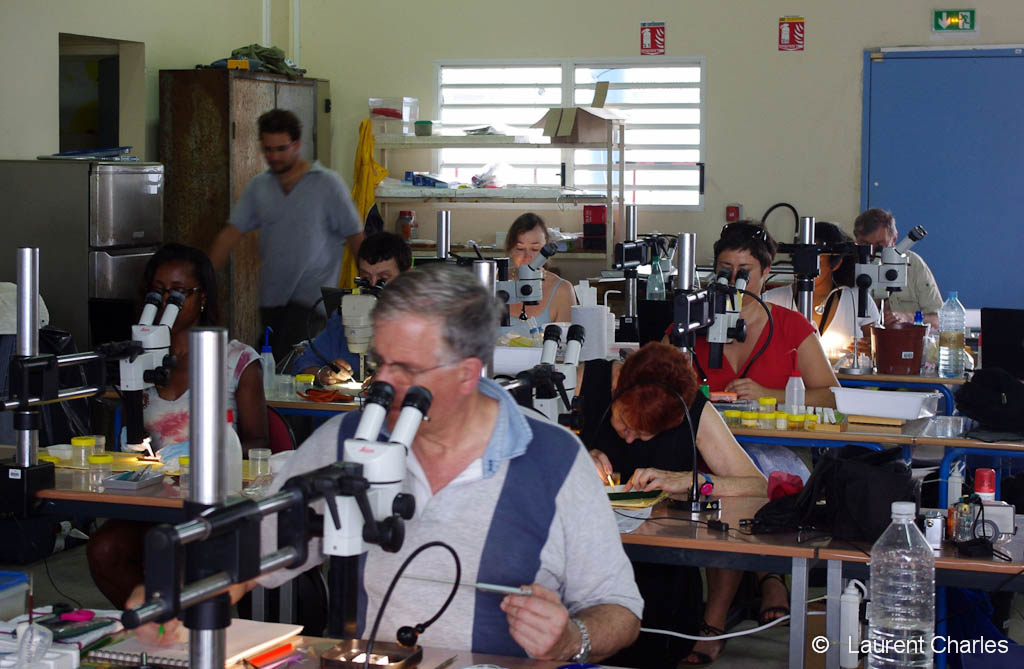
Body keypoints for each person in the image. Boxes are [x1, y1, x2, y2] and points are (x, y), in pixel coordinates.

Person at [128, 263, 643, 661]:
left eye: (406, 368)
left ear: (467, 373)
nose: (383, 383)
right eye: (379, 362)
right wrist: (179, 587)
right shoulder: (352, 440)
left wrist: (570, 638)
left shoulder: (554, 460)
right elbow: (257, 547)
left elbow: (620, 609)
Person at [664, 220, 840, 663]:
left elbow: (832, 396)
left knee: (744, 486)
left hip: (777, 453)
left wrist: (772, 396)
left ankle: (715, 621)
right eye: (725, 269)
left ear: (765, 274)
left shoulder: (792, 326)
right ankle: (768, 578)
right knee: (721, 488)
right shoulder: (695, 320)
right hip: (707, 451)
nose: (735, 280)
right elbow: (657, 374)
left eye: (745, 270)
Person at [87, 243, 268, 608]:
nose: (168, 300)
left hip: (210, 503)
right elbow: (129, 442)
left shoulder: (238, 360)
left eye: (179, 292)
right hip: (152, 501)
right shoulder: (136, 358)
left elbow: (259, 443)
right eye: (159, 291)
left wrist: (201, 460)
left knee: (186, 552)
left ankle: (183, 637)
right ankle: (158, 627)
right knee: (104, 550)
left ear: (202, 297)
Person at [578, 342, 766, 668]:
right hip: (583, 567)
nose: (629, 440)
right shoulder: (583, 380)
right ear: (617, 383)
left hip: (661, 576)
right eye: (625, 423)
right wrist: (573, 451)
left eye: (643, 434)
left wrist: (689, 481)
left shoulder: (692, 408)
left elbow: (757, 486)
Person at [209, 108, 364, 361]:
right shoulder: (259, 187)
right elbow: (230, 234)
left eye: (281, 149)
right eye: (268, 150)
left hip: (311, 298)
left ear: (297, 144)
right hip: (271, 297)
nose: (274, 156)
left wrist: (369, 284)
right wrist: (202, 278)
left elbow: (355, 236)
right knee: (268, 364)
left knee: (288, 361)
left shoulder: (327, 184)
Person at [292, 231, 412, 384]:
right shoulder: (343, 319)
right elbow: (302, 365)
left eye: (383, 279)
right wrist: (325, 373)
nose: (373, 287)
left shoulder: (426, 324)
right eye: (366, 279)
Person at [763, 221, 881, 359]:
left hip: (843, 380)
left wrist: (870, 349)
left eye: (815, 263)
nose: (805, 268)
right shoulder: (770, 300)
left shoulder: (857, 299)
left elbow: (879, 347)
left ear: (836, 263)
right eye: (801, 261)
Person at [853, 208, 942, 329]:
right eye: (865, 245)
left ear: (894, 239)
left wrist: (907, 318)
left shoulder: (913, 264)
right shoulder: (848, 266)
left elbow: (937, 320)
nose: (872, 252)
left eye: (879, 245)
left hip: (906, 342)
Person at [501, 213, 576, 337]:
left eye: (535, 249)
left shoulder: (562, 291)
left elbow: (565, 348)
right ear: (510, 249)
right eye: (520, 249)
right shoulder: (495, 284)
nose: (527, 255)